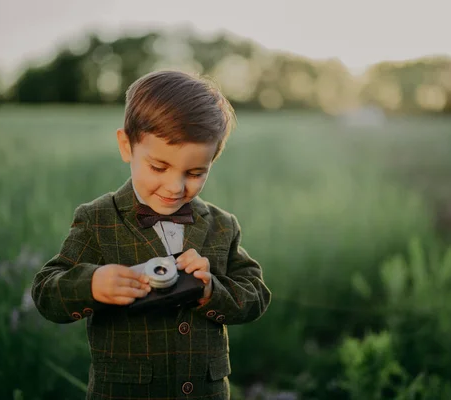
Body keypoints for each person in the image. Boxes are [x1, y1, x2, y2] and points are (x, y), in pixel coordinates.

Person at [31, 70, 271, 399]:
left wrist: (208, 289)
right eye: (159, 167)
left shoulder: (221, 225)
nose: (174, 187)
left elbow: (255, 295)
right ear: (126, 146)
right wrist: (92, 284)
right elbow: (46, 291)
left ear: (213, 159)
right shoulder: (98, 219)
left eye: (195, 172)